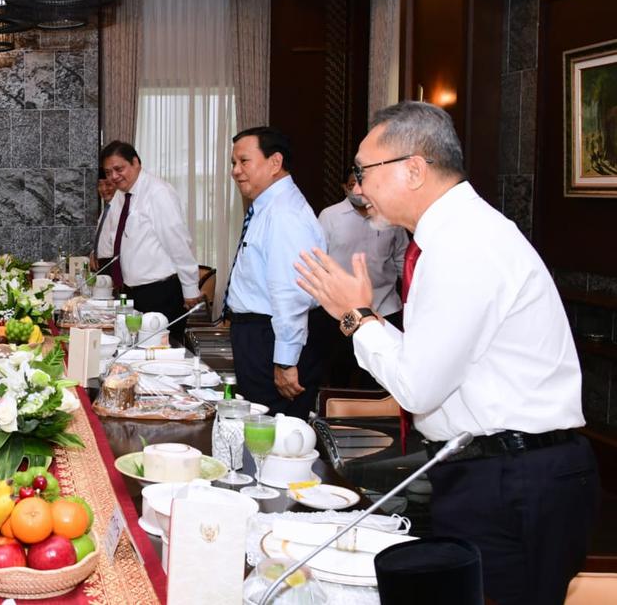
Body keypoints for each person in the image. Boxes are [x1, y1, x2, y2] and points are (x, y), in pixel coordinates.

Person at [295, 101, 597, 605]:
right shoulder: (451, 238)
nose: (358, 188)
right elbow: (426, 363)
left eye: (363, 172)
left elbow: (418, 387)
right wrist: (364, 318)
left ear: (414, 169)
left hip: (515, 478)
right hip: (493, 470)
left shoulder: (465, 244)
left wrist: (356, 317)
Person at [223, 127, 325, 419]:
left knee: (271, 429)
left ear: (275, 162)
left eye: (244, 161)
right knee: (258, 426)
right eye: (234, 163)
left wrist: (285, 361)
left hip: (270, 338)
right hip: (259, 335)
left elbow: (291, 294)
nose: (235, 171)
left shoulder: (284, 214)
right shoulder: (268, 206)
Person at [98, 141, 200, 344]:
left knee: (161, 353)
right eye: (108, 172)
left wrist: (190, 287)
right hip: (132, 291)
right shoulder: (121, 196)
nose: (114, 177)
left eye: (119, 169)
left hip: (161, 292)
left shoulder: (158, 192)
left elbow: (177, 242)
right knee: (135, 349)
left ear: (136, 162)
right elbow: (113, 237)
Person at [314, 169, 408, 387]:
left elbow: (402, 258)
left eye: (362, 183)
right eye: (352, 185)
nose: (358, 190)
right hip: (342, 313)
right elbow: (317, 260)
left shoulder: (390, 216)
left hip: (385, 310)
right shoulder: (330, 216)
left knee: (381, 380)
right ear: (344, 188)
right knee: (339, 376)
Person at [89, 167, 117, 273]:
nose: (103, 189)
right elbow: (104, 239)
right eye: (100, 185)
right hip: (102, 263)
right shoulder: (107, 209)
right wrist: (94, 252)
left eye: (108, 184)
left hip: (112, 263)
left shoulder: (119, 210)